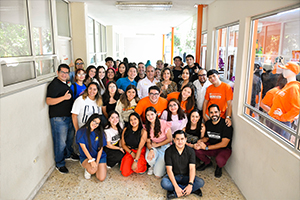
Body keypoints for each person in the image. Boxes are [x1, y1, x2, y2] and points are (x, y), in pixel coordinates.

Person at [46, 64, 78, 174]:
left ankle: (68, 154)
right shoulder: (54, 85)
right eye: (62, 72)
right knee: (60, 143)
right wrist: (63, 98)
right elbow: (48, 101)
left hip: (68, 117)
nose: (64, 74)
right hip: (59, 119)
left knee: (69, 139)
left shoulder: (64, 83)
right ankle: (59, 164)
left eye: (66, 72)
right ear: (57, 72)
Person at [161, 130, 204, 199]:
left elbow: (192, 168)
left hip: (186, 176)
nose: (180, 141)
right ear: (174, 140)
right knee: (164, 183)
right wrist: (176, 186)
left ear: (185, 139)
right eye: (177, 139)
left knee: (200, 182)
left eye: (182, 139)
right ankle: (189, 190)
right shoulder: (168, 151)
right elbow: (169, 170)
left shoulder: (191, 151)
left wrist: (190, 184)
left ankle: (174, 193)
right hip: (175, 176)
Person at [195, 104, 233, 178]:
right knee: (197, 149)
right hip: (211, 146)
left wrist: (207, 148)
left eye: (216, 112)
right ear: (208, 114)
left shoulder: (226, 124)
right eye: (211, 113)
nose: (214, 114)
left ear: (219, 112)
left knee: (220, 160)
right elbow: (206, 138)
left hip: (224, 149)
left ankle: (219, 167)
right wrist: (200, 141)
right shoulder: (208, 123)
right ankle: (207, 162)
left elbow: (224, 144)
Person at [268, 62, 300, 140]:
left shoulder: (293, 88)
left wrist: (283, 117)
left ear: (293, 72)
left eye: (286, 69)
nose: (284, 71)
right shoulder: (287, 86)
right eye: (284, 69)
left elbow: (296, 109)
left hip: (281, 123)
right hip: (275, 120)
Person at [76, 114, 107, 180]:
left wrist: (97, 162)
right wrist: (92, 161)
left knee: (101, 178)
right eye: (94, 121)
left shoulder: (100, 132)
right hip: (87, 157)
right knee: (92, 170)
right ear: (90, 120)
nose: (95, 124)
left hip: (99, 156)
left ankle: (98, 167)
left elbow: (100, 148)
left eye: (97, 123)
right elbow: (83, 148)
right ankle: (87, 169)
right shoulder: (81, 131)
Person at [145, 107, 172, 177]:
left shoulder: (164, 123)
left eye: (152, 114)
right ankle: (152, 165)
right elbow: (148, 141)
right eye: (147, 115)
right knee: (149, 159)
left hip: (164, 146)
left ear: (156, 114)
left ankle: (161, 166)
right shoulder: (147, 126)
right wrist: (151, 150)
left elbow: (170, 139)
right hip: (153, 146)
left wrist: (158, 145)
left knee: (158, 175)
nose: (150, 117)